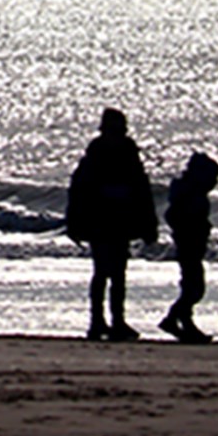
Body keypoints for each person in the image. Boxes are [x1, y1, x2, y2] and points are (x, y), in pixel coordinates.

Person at [66, 108, 158, 342]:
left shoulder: (128, 153)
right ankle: (97, 321)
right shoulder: (95, 155)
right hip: (100, 220)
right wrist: (75, 222)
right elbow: (79, 190)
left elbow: (141, 188)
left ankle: (117, 320)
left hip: (120, 220)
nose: (119, 133)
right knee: (102, 272)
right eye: (115, 129)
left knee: (118, 273)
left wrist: (149, 223)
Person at [158, 152, 218, 344]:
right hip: (188, 244)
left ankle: (184, 321)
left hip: (192, 243)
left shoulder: (192, 193)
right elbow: (176, 217)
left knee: (191, 285)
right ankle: (174, 318)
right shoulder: (188, 194)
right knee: (194, 287)